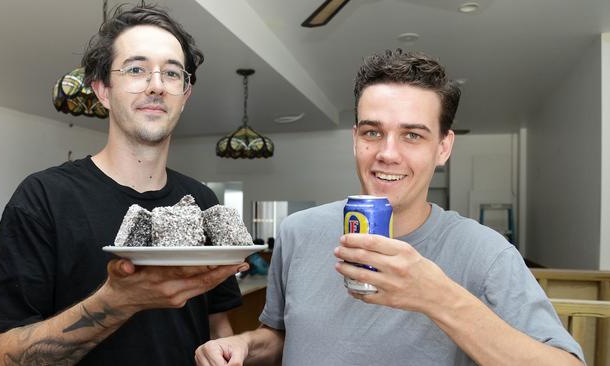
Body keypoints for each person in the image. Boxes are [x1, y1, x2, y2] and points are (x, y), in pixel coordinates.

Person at [195, 49, 585, 365]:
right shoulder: (299, 232)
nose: (387, 153)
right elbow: (281, 337)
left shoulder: (486, 252)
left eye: (412, 135)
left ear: (443, 147)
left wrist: (438, 298)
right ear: (355, 139)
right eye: (372, 132)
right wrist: (245, 346)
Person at [0, 5, 248, 366]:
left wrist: (223, 351)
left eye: (171, 73)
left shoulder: (202, 201)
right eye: (137, 69)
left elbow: (217, 324)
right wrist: (116, 301)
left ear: (184, 95)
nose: (156, 85)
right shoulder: (43, 199)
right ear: (103, 90)